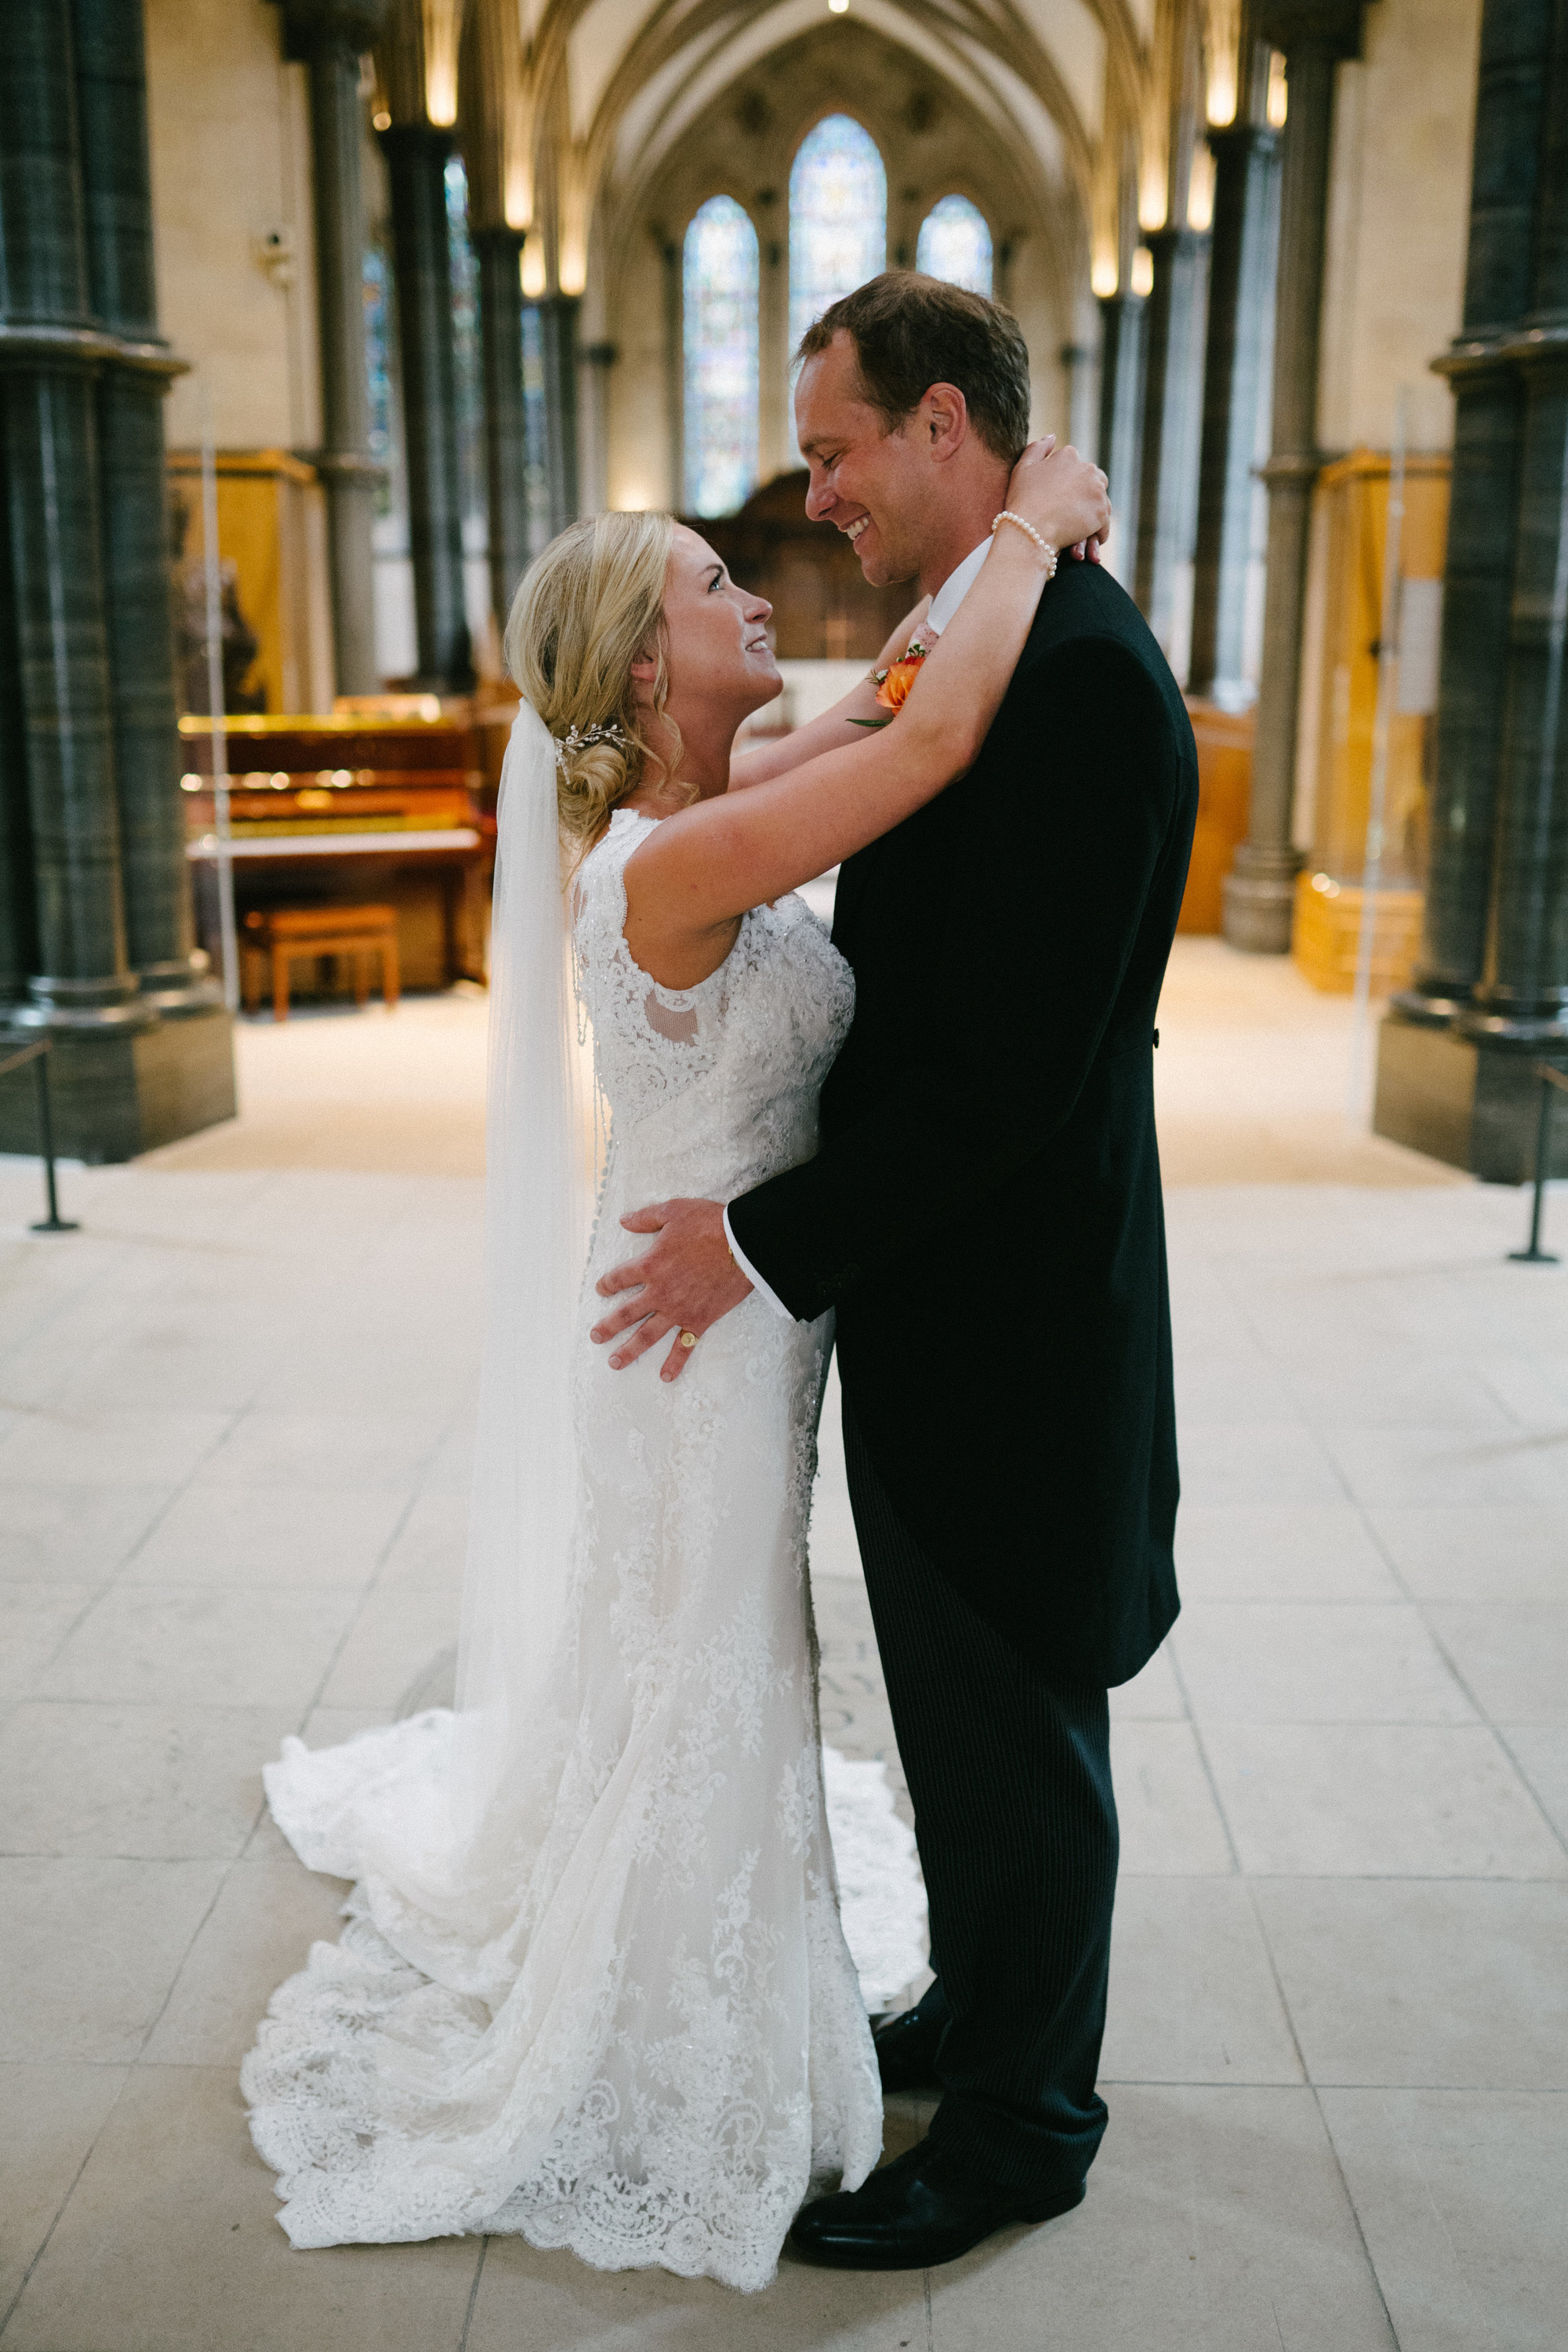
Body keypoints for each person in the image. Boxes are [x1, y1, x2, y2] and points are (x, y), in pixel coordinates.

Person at [241, 420, 1110, 2291]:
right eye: (718, 586)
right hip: (695, 1341)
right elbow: (936, 739)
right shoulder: (677, 855)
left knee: (718, 1667)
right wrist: (1029, 526)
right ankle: (671, 2055)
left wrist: (953, 600)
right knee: (713, 1667)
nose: (757, 588)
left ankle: (716, 1989)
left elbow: (881, 711)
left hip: (731, 1314)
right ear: (648, 658)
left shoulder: (712, 793)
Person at [589, 271, 1200, 2270]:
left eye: (839, 448)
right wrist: (1020, 536)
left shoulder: (1080, 674)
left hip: (1015, 1305)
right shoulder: (979, 644)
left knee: (1014, 1701)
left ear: (947, 425)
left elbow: (1004, 1077)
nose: (815, 493)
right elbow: (905, 759)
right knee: (952, 1696)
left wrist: (762, 1242)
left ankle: (1022, 2123)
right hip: (939, 1300)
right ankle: (980, 2009)